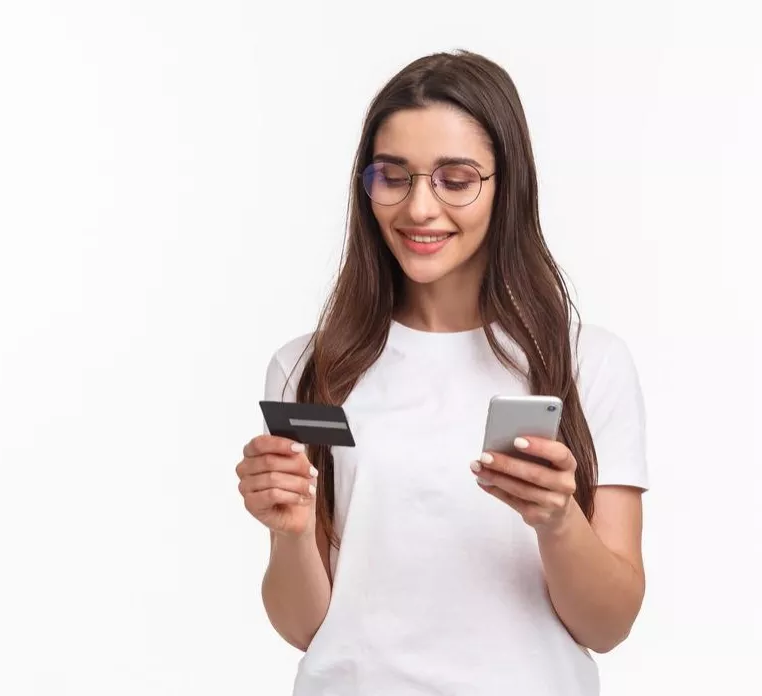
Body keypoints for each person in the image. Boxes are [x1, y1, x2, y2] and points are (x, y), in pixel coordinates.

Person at [235, 50, 648, 696]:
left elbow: (610, 624)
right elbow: (306, 628)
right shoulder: (310, 369)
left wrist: (557, 521)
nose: (419, 208)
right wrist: (289, 532)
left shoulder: (584, 364)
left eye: (456, 180)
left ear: (508, 185)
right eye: (392, 177)